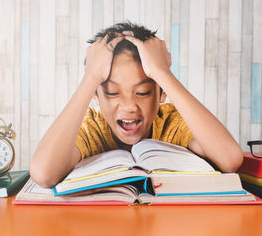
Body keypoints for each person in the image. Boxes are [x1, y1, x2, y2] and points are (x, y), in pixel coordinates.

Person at [30, 22, 243, 188]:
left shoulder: (172, 121)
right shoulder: (92, 128)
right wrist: (90, 78)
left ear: (161, 92)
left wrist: (163, 73)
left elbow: (230, 159)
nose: (129, 106)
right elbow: (43, 174)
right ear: (96, 95)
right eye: (113, 92)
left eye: (142, 92)